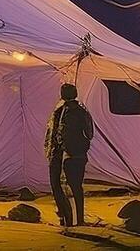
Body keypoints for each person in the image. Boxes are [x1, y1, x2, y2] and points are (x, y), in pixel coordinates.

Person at [45, 82, 93, 228]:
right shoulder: (83, 112)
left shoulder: (60, 112)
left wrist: (52, 150)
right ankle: (79, 219)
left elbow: (53, 134)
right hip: (79, 155)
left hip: (62, 154)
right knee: (77, 187)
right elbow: (90, 134)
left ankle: (67, 218)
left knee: (57, 186)